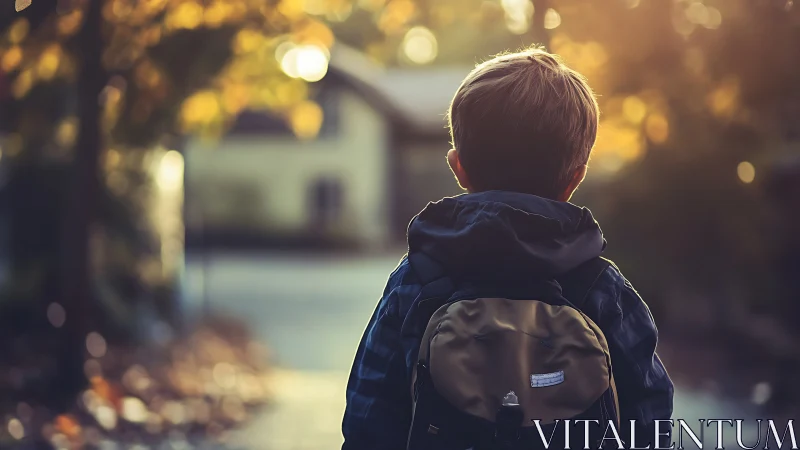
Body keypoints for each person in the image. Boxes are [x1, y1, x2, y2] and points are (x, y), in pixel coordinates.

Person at [342, 46, 674, 449]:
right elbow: (649, 409)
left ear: (457, 166)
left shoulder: (418, 279)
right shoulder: (601, 288)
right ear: (576, 178)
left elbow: (369, 412)